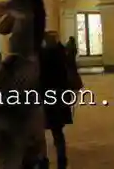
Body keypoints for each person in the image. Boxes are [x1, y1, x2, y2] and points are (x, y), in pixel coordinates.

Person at [0, 0, 47, 169]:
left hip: (19, 66)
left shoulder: (23, 6)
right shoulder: (33, 10)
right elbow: (3, 27)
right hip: (29, 68)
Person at [40, 31, 73, 169]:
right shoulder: (62, 55)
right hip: (60, 96)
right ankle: (61, 160)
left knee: (39, 131)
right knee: (58, 131)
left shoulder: (43, 56)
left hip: (47, 96)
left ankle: (43, 161)